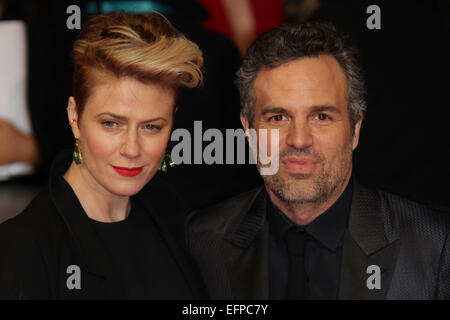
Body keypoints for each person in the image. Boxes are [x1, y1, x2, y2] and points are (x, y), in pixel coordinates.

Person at [186, 21, 450, 299]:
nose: (299, 140)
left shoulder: (436, 247)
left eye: (321, 117)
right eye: (278, 118)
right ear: (248, 132)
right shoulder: (203, 240)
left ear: (355, 130)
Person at [0, 11, 206, 299]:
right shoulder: (24, 249)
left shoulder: (174, 214)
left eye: (151, 127)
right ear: (74, 116)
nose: (132, 149)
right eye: (111, 123)